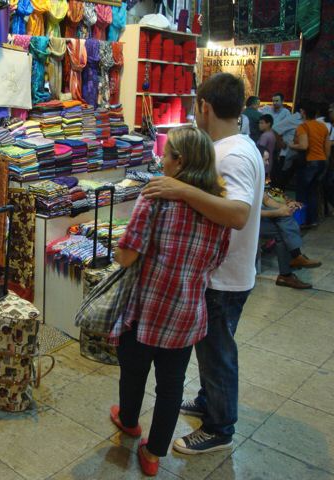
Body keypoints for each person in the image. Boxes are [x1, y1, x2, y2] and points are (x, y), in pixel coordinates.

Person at [142, 72, 265, 455]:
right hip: (228, 271)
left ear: (205, 107)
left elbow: (238, 214)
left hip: (225, 278)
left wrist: (182, 188)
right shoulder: (237, 147)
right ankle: (208, 401)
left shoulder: (232, 155)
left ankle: (219, 427)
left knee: (218, 354)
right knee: (212, 350)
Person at [108, 127, 231, 476]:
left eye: (167, 154)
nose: (162, 160)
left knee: (133, 371)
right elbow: (217, 259)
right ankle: (154, 454)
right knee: (172, 385)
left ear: (180, 161)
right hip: (187, 311)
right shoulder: (218, 207)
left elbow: (128, 255)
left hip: (146, 308)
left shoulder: (155, 197)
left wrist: (119, 249)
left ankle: (130, 422)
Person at [260, 192, 321, 289]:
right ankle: (292, 263)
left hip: (259, 217)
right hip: (244, 222)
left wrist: (285, 207)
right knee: (283, 229)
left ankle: (289, 270)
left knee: (284, 220)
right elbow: (248, 212)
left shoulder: (255, 177)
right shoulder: (238, 180)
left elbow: (266, 200)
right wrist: (278, 212)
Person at [289, 100, 332, 228]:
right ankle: (312, 220)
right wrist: (325, 160)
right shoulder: (322, 126)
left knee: (301, 192)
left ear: (303, 112)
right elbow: (327, 146)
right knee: (312, 192)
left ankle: (300, 221)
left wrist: (291, 145)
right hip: (322, 162)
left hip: (309, 162)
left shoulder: (303, 126)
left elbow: (304, 145)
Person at [271, 104, 304, 188]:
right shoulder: (294, 118)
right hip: (286, 155)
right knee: (280, 182)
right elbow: (275, 129)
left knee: (285, 181)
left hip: (297, 155)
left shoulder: (308, 121)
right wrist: (281, 144)